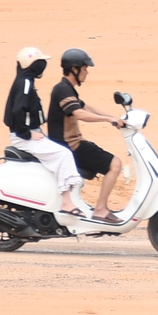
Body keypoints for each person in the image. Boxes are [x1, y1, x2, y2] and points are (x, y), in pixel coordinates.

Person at [1, 46, 95, 219]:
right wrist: (27, 134)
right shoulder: (26, 83)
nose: (43, 66)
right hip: (24, 136)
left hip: (29, 133)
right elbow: (17, 111)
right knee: (64, 154)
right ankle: (66, 203)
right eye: (40, 63)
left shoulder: (25, 81)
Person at [49, 47, 130, 222]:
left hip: (73, 144)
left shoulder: (67, 88)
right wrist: (107, 120)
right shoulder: (62, 90)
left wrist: (112, 117)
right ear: (74, 69)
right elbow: (79, 114)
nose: (86, 73)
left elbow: (85, 107)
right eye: (85, 69)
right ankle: (100, 209)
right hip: (70, 147)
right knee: (115, 164)